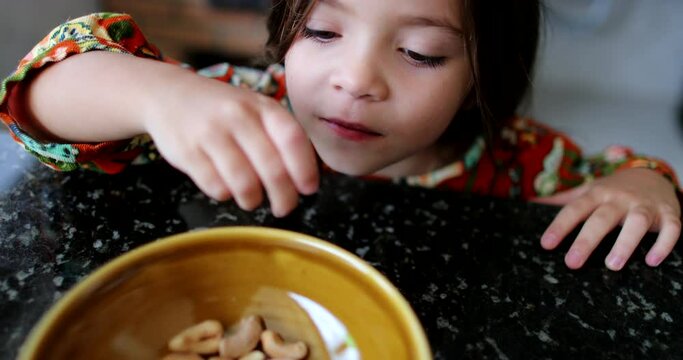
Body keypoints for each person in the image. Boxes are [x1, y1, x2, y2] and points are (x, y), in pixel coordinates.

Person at [0, 0, 680, 272]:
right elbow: (35, 101)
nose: (354, 80)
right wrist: (156, 95)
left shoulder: (518, 161)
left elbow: (622, 176)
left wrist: (641, 184)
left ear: (480, 79)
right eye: (323, 32)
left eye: (419, 53)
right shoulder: (234, 107)